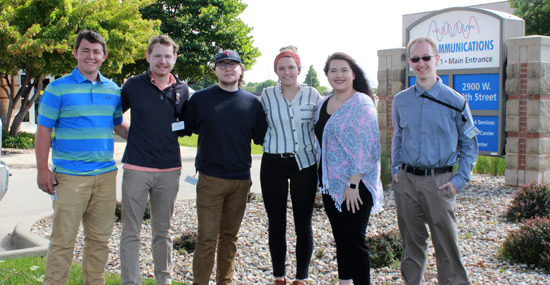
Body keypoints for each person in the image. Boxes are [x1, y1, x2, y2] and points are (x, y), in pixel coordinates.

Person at [36, 29, 129, 285]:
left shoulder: (113, 89)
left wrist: (153, 137)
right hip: (69, 178)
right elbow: (44, 130)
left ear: (104, 56)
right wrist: (42, 169)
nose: (91, 56)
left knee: (99, 242)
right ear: (76, 53)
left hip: (105, 177)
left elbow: (118, 126)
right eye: (85, 50)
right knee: (63, 241)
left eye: (96, 51)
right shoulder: (57, 89)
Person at [391, 37, 478, 285]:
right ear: (410, 63)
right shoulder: (401, 100)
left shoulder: (456, 101)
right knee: (411, 243)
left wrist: (459, 181)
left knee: (447, 245)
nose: (421, 63)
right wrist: (395, 170)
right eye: (415, 59)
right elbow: (398, 136)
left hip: (440, 183)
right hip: (406, 182)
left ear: (437, 59)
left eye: (426, 57)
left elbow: (469, 143)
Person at [183, 50, 267, 285]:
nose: (228, 68)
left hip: (241, 181)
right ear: (215, 70)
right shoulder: (200, 99)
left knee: (229, 238)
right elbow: (182, 127)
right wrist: (154, 122)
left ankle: (225, 281)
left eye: (233, 64)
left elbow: (264, 138)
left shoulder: (252, 103)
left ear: (241, 70)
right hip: (210, 179)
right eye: (222, 64)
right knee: (207, 239)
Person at [119, 35, 189, 285]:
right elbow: (114, 118)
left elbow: (186, 125)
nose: (162, 61)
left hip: (170, 170)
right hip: (136, 168)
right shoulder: (132, 86)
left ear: (174, 59)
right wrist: (132, 135)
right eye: (157, 55)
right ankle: (130, 282)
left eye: (168, 56)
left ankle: (164, 280)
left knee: (163, 232)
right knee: (131, 231)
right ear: (148, 56)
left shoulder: (182, 90)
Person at [314, 53, 383, 285]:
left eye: (344, 70)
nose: (338, 75)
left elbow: (369, 146)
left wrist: (353, 183)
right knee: (341, 241)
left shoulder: (362, 103)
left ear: (353, 74)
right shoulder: (325, 103)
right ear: (327, 75)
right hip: (331, 185)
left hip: (355, 186)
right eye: (333, 71)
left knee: (355, 242)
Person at [259, 46, 322, 285]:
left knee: (303, 223)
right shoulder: (266, 94)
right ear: (276, 70)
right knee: (276, 223)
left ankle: (301, 277)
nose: (286, 72)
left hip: (304, 164)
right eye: (281, 68)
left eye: (291, 67)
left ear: (299, 69)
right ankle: (278, 276)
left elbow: (324, 125)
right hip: (273, 163)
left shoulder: (312, 95)